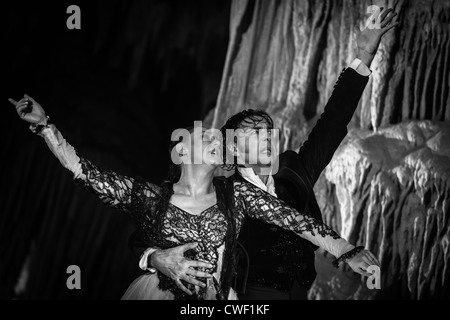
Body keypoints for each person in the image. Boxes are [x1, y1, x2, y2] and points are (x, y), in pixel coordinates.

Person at [129, 7, 399, 299]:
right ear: (232, 146)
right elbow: (145, 232)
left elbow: (331, 123)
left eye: (268, 131)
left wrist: (364, 56)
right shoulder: (220, 190)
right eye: (254, 133)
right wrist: (157, 258)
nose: (267, 137)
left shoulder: (294, 173)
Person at [9, 95, 379, 300]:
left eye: (219, 138)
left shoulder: (237, 195)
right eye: (206, 137)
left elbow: (295, 220)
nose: (216, 139)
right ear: (181, 152)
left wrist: (346, 250)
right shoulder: (150, 197)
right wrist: (45, 127)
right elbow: (86, 173)